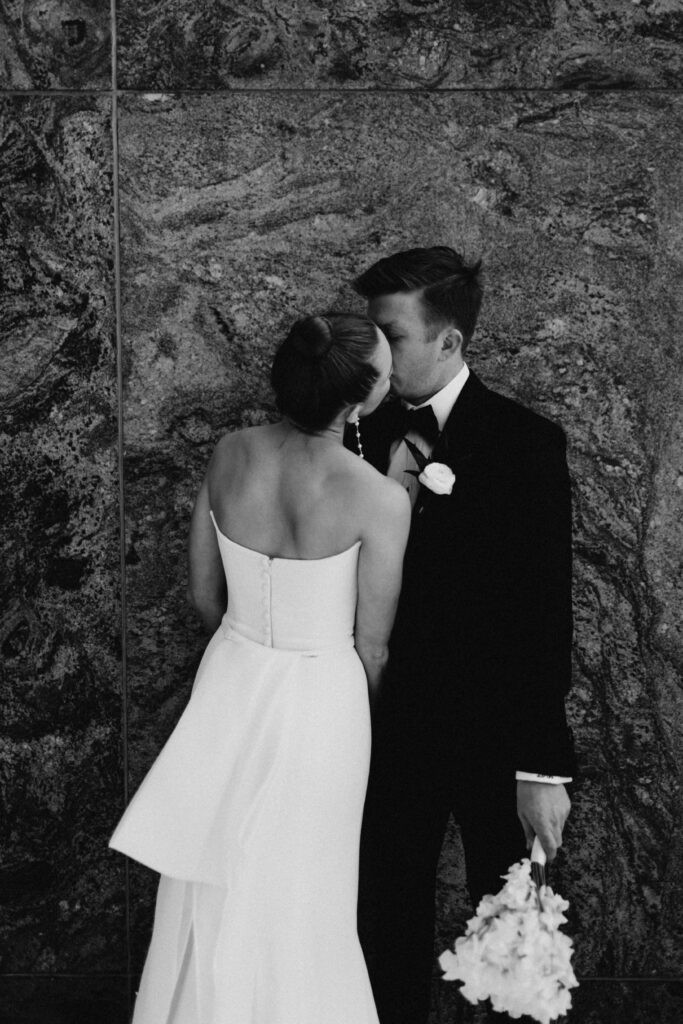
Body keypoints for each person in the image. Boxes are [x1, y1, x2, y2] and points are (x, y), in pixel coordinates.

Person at [109, 313, 411, 1024]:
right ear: (359, 397)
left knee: (214, 872)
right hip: (323, 698)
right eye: (386, 370)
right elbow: (373, 644)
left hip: (232, 673)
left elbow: (202, 592)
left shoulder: (229, 453)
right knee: (305, 887)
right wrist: (354, 704)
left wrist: (241, 652)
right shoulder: (380, 497)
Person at [350, 246, 576, 1024]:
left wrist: (542, 766)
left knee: (507, 941)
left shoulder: (526, 442)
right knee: (385, 925)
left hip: (492, 732)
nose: (377, 353)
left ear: (449, 342)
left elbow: (544, 611)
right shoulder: (347, 435)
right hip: (383, 726)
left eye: (393, 335)